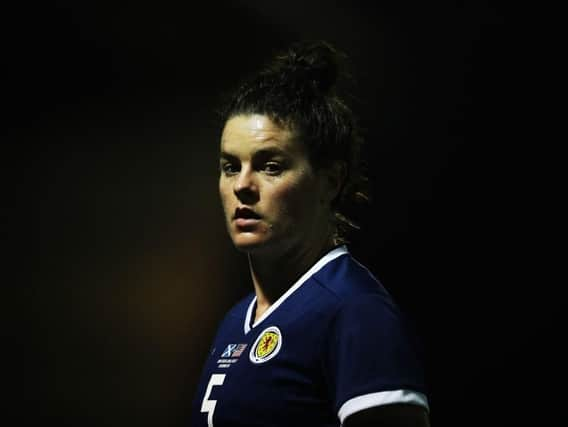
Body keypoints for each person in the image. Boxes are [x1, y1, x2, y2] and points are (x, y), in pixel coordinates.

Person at [191, 40, 430, 427]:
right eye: (231, 166)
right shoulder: (236, 322)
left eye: (270, 166)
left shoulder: (355, 312)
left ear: (331, 182)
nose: (242, 186)